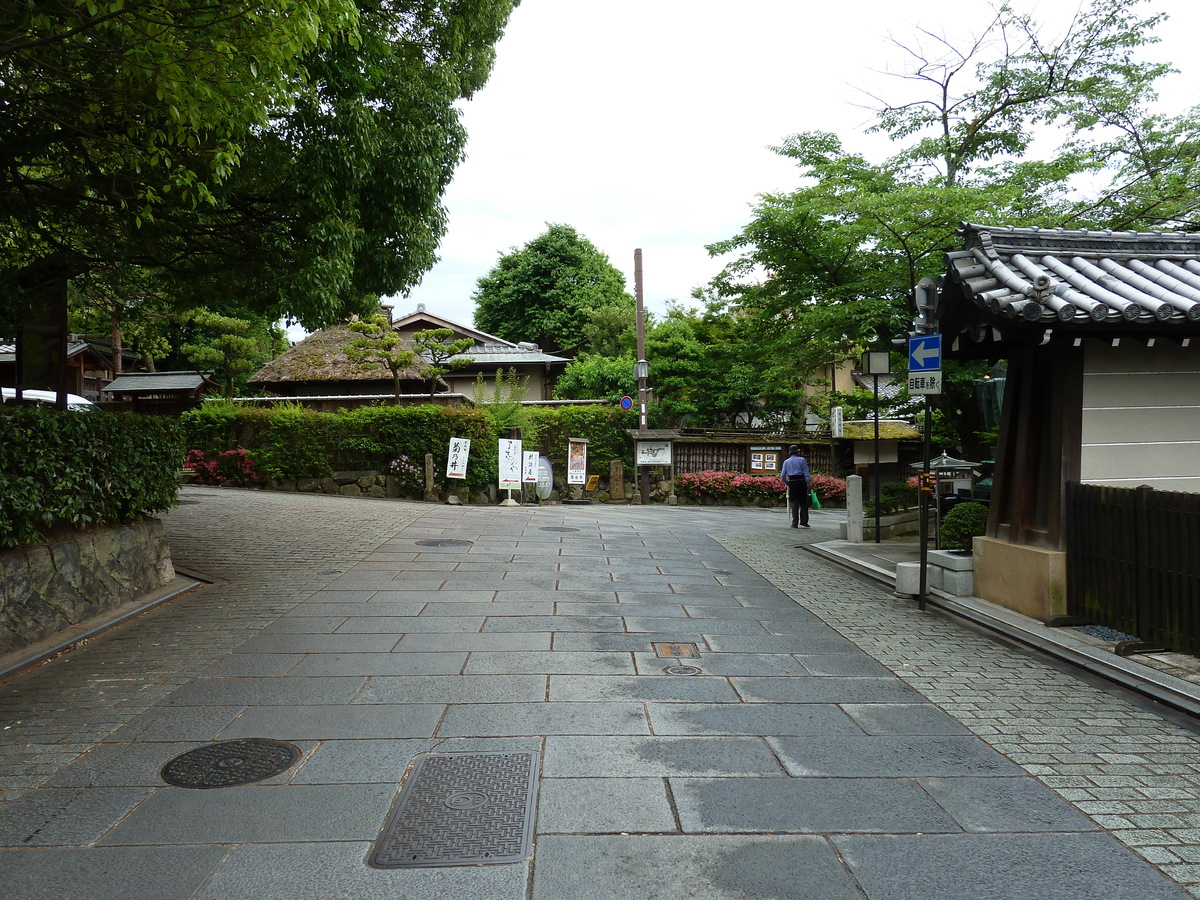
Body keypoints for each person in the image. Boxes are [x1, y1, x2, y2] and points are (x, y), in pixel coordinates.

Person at [780, 445, 811, 528]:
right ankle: (804, 521)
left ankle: (795, 522)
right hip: (801, 481)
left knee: (794, 503)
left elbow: (783, 475)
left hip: (792, 482)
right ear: (797, 452)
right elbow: (806, 472)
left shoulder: (786, 462)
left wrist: (787, 483)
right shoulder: (802, 460)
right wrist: (808, 482)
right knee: (803, 502)